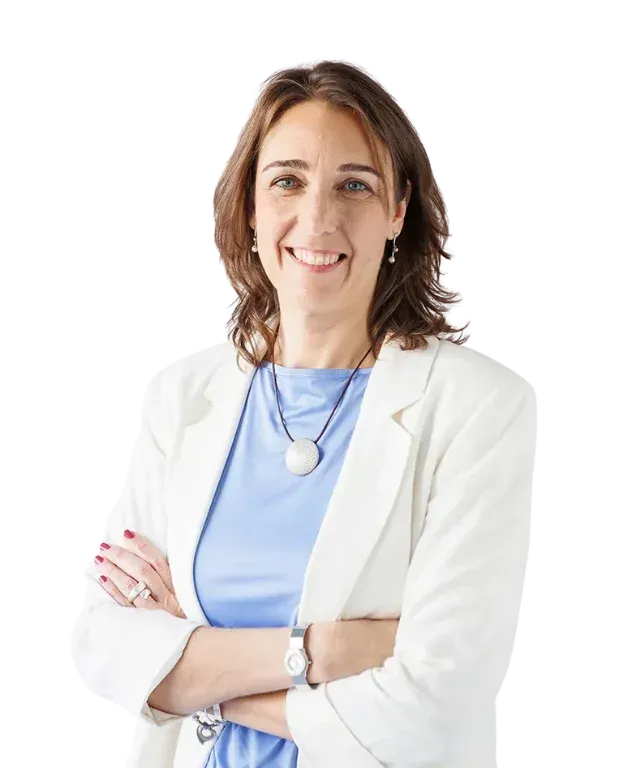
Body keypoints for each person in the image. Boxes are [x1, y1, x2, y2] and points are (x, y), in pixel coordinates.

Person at [71, 59, 538, 768]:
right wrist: (318, 652)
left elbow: (439, 711)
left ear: (398, 211)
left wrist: (190, 674)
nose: (317, 219)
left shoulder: (477, 406)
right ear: (251, 208)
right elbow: (102, 649)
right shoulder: (182, 394)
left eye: (355, 185)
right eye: (287, 181)